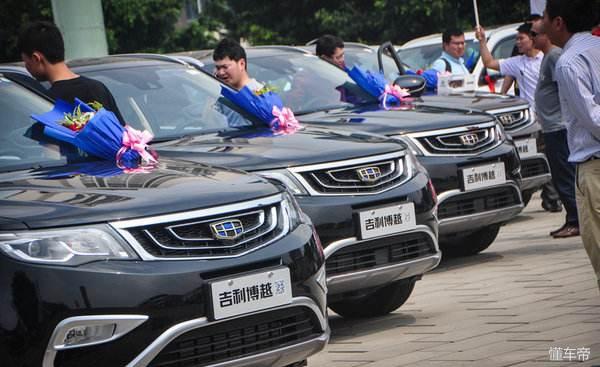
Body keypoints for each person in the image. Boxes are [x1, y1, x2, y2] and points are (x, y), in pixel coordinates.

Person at [543, 0, 600, 291]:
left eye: (544, 17)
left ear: (558, 22)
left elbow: (593, 118)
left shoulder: (569, 63)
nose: (540, 23)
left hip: (594, 167)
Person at [17, 21, 124, 123]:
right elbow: (123, 136)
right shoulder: (98, 87)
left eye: (27, 62)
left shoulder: (46, 102)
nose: (27, 67)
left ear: (36, 58)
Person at [531, 19, 579, 238]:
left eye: (534, 34)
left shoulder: (555, 56)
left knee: (564, 174)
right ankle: (572, 217)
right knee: (559, 175)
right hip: (551, 127)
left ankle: (575, 220)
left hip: (558, 127)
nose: (532, 39)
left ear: (546, 35)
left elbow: (565, 89)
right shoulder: (547, 57)